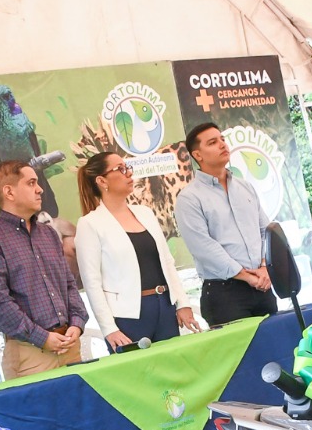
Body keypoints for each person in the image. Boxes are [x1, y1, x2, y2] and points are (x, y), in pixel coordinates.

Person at [0, 160, 88, 380]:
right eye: (31, 183)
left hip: (70, 346)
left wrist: (77, 323)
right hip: (29, 355)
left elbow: (69, 285)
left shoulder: (49, 234)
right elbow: (0, 305)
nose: (40, 189)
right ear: (9, 192)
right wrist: (42, 338)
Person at [75, 151, 199, 350]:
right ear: (101, 181)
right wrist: (108, 328)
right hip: (127, 317)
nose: (129, 173)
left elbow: (167, 262)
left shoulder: (145, 213)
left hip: (165, 306)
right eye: (120, 169)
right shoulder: (90, 223)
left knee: (175, 364)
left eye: (128, 167)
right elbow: (92, 282)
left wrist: (183, 303)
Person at [175, 122, 276, 326]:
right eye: (212, 142)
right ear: (198, 155)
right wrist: (246, 276)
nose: (222, 144)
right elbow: (204, 248)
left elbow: (266, 231)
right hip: (225, 293)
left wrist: (265, 267)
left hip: (262, 286)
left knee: (275, 343)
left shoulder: (245, 187)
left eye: (222, 139)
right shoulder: (189, 198)